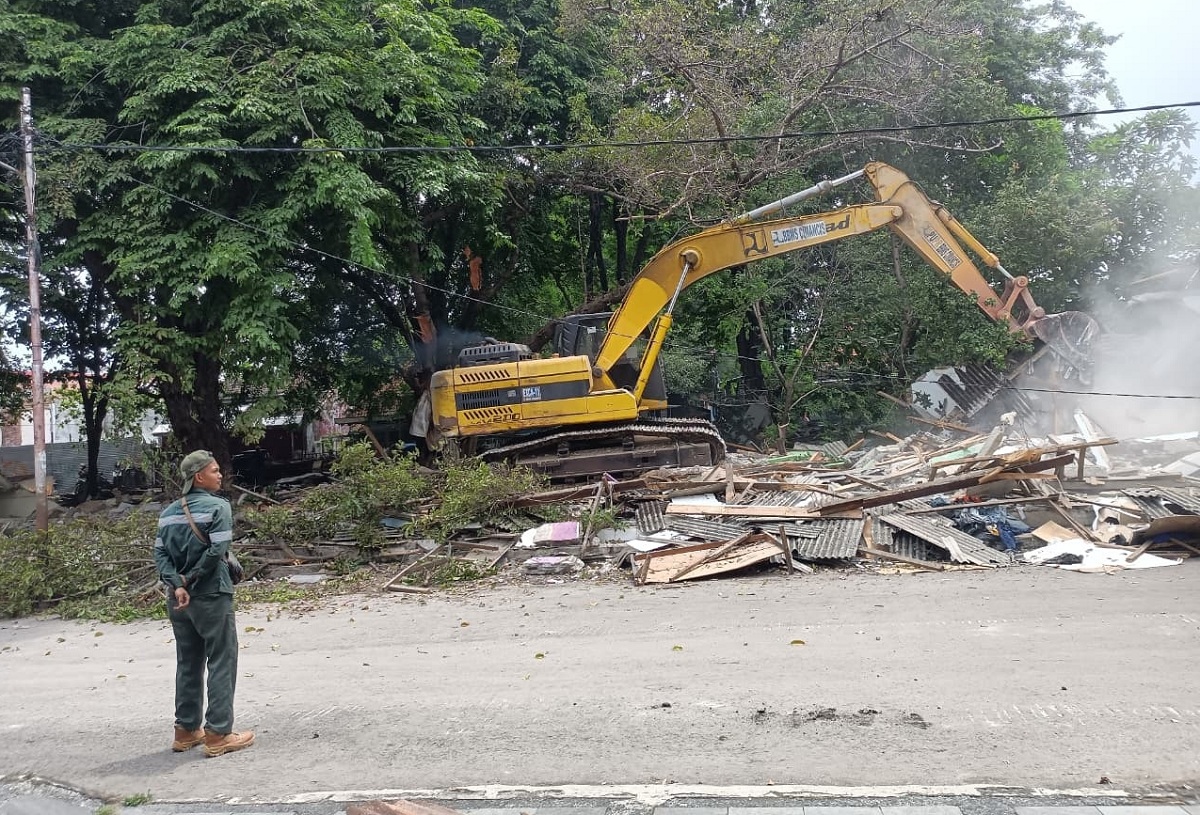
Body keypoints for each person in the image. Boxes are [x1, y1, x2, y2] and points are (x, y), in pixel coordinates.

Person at [153, 450, 255, 758]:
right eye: (214, 470)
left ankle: (185, 730)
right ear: (199, 477)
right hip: (210, 594)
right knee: (222, 659)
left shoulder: (168, 512)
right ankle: (218, 734)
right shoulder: (218, 507)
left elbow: (160, 556)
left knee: (188, 661)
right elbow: (217, 552)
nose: (220, 474)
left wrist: (177, 583)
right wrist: (191, 581)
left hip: (178, 599)